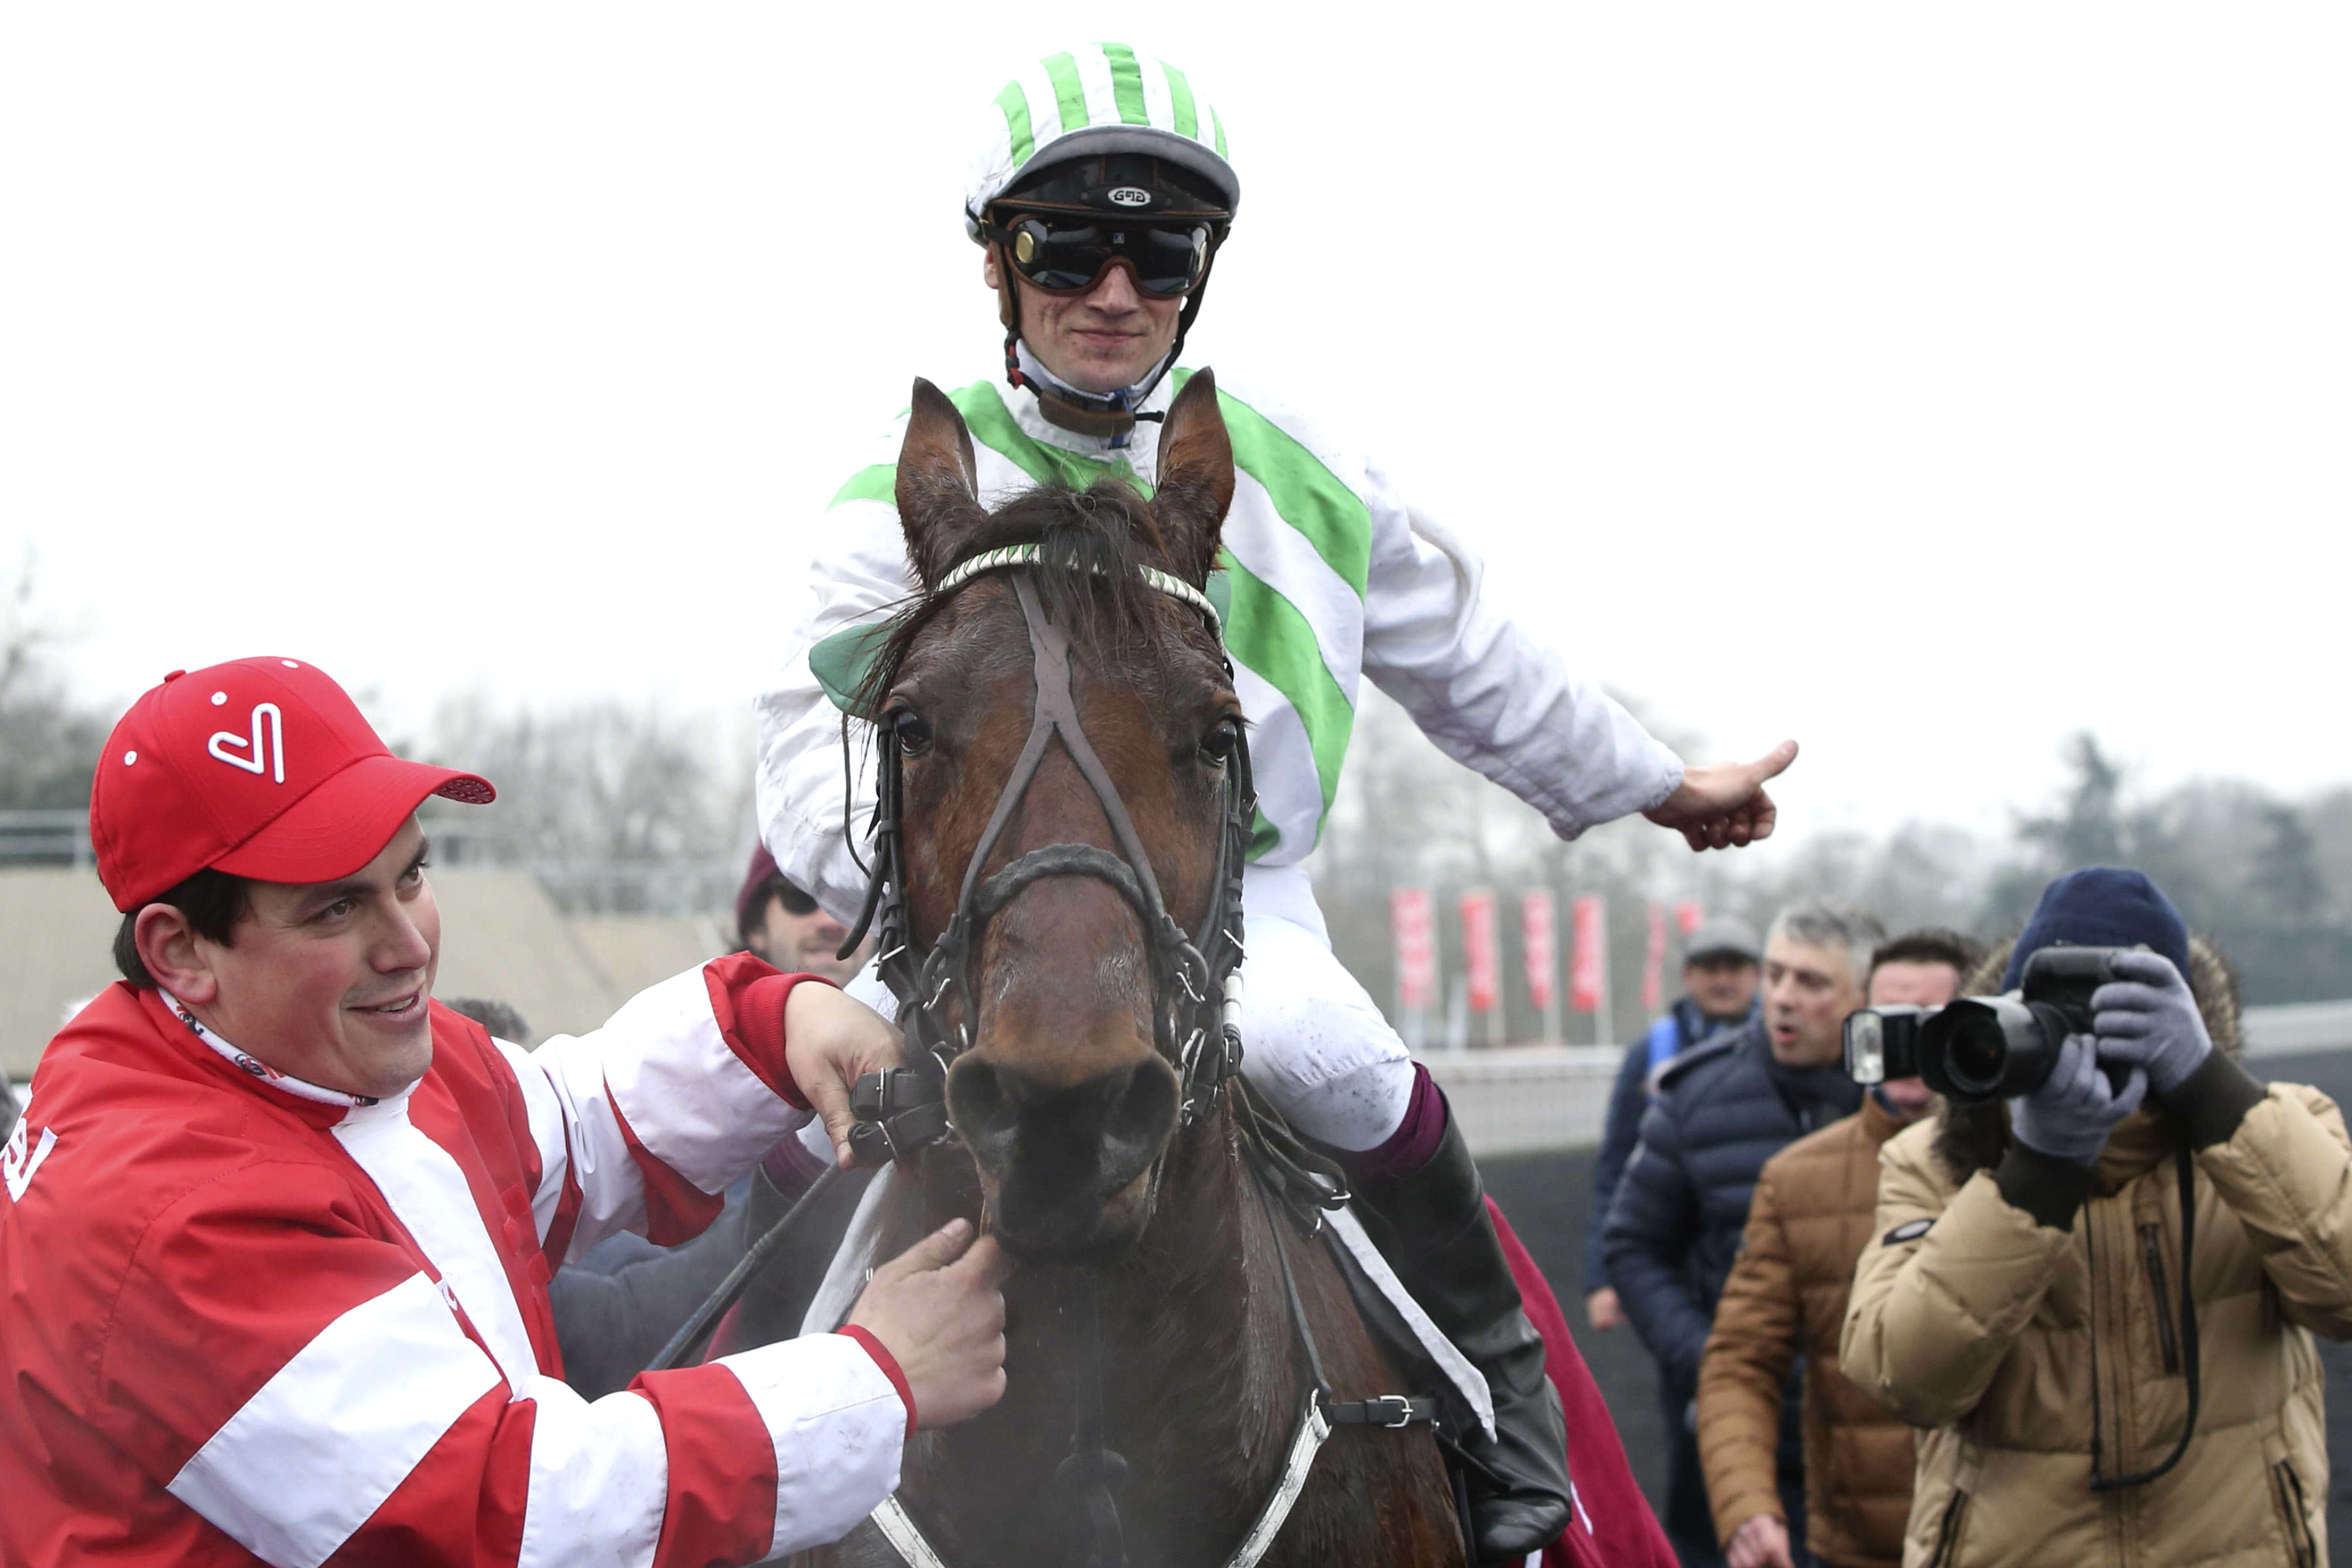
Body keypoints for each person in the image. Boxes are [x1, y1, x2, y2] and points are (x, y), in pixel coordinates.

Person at [752, 45, 1797, 1561]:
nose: (1114, 287)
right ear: (997, 259)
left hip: (1233, 915)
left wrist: (1647, 781)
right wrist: (952, 897)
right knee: (787, 1123)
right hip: (961, 925)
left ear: (1196, 270)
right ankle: (727, 1445)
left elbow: (1476, 667)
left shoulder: (1301, 464)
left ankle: (1506, 1417)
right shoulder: (886, 502)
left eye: (1158, 250)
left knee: (1333, 1049)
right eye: (1068, 245)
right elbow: (804, 769)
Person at [0, 657, 1013, 1566]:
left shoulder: (311, 1056)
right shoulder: (165, 1209)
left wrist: (773, 1021)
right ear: (180, 950)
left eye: (411, 876)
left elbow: (568, 1119)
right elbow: (515, 1515)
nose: (408, 945)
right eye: (336, 907)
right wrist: (872, 1382)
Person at [1842, 869, 2352, 1568]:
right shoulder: (1933, 1161)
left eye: (2112, 1011)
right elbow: (1905, 1374)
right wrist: (2039, 1167)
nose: (2084, 1034)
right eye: (2054, 1011)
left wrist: (2204, 1083)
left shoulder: (2275, 1127)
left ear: (2186, 1010)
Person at [1603, 899, 1884, 1568]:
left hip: (1876, 1442)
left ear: (1862, 998)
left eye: (1811, 983)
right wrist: (1711, 1362)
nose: (1783, 998)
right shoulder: (1694, 1097)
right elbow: (1634, 1246)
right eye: (1778, 975)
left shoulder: (1905, 1104)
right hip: (1738, 1445)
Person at [1696, 929, 1977, 1568]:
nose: (1909, 1049)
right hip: (1857, 1548)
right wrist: (1747, 1507)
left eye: (1932, 1027)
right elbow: (1740, 1359)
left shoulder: (2034, 1168)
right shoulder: (1798, 1179)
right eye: (1889, 1025)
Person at [1586, 914, 1764, 1334]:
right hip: (1676, 1273)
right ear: (1687, 974)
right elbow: (1616, 1167)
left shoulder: (1785, 1048)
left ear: (1757, 975)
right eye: (1709, 968)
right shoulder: (1651, 1053)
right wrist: (1601, 1277)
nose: (1722, 980)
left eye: (1734, 968)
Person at [736, 842, 870, 986]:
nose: (831, 922)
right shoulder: (712, 1006)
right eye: (801, 896)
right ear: (757, 925)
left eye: (855, 898)